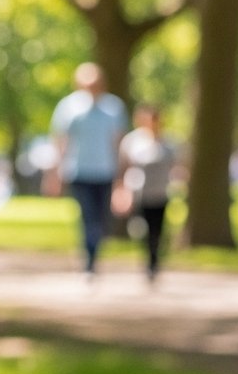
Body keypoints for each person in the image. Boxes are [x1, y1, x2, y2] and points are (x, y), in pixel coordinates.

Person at [51, 63, 129, 273]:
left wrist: (122, 178)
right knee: (87, 217)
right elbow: (60, 141)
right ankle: (89, 260)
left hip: (105, 171)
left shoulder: (114, 108)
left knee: (102, 219)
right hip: (79, 171)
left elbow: (119, 143)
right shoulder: (68, 107)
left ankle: (93, 254)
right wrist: (55, 173)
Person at [114, 104, 179, 280]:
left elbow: (177, 166)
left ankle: (153, 263)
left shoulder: (169, 142)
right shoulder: (132, 141)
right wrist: (121, 190)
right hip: (138, 193)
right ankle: (147, 258)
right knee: (140, 228)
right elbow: (123, 168)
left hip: (160, 193)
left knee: (157, 230)